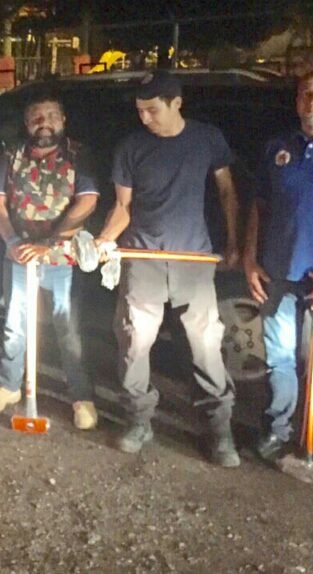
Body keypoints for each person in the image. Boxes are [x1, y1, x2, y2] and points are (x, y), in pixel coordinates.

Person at [95, 70, 242, 467]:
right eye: (140, 111)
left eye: (152, 110)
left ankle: (219, 429)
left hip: (193, 260)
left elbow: (227, 192)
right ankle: (138, 421)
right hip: (142, 258)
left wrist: (234, 242)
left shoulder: (207, 139)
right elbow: (123, 207)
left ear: (177, 103)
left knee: (206, 346)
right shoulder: (131, 147)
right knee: (133, 344)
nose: (145, 118)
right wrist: (104, 240)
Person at [244, 69, 313, 480]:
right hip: (278, 275)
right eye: (307, 93)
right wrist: (251, 258)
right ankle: (277, 433)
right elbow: (259, 206)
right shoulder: (278, 148)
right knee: (280, 360)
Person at [0, 93, 99, 430]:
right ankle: (8, 386)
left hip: (62, 256)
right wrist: (13, 242)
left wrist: (49, 242)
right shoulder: (11, 156)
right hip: (19, 254)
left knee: (68, 327)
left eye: (51, 115)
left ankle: (81, 397)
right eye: (36, 117)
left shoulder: (78, 155)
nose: (43, 123)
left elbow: (87, 202)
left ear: (63, 120)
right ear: (26, 122)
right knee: (14, 322)